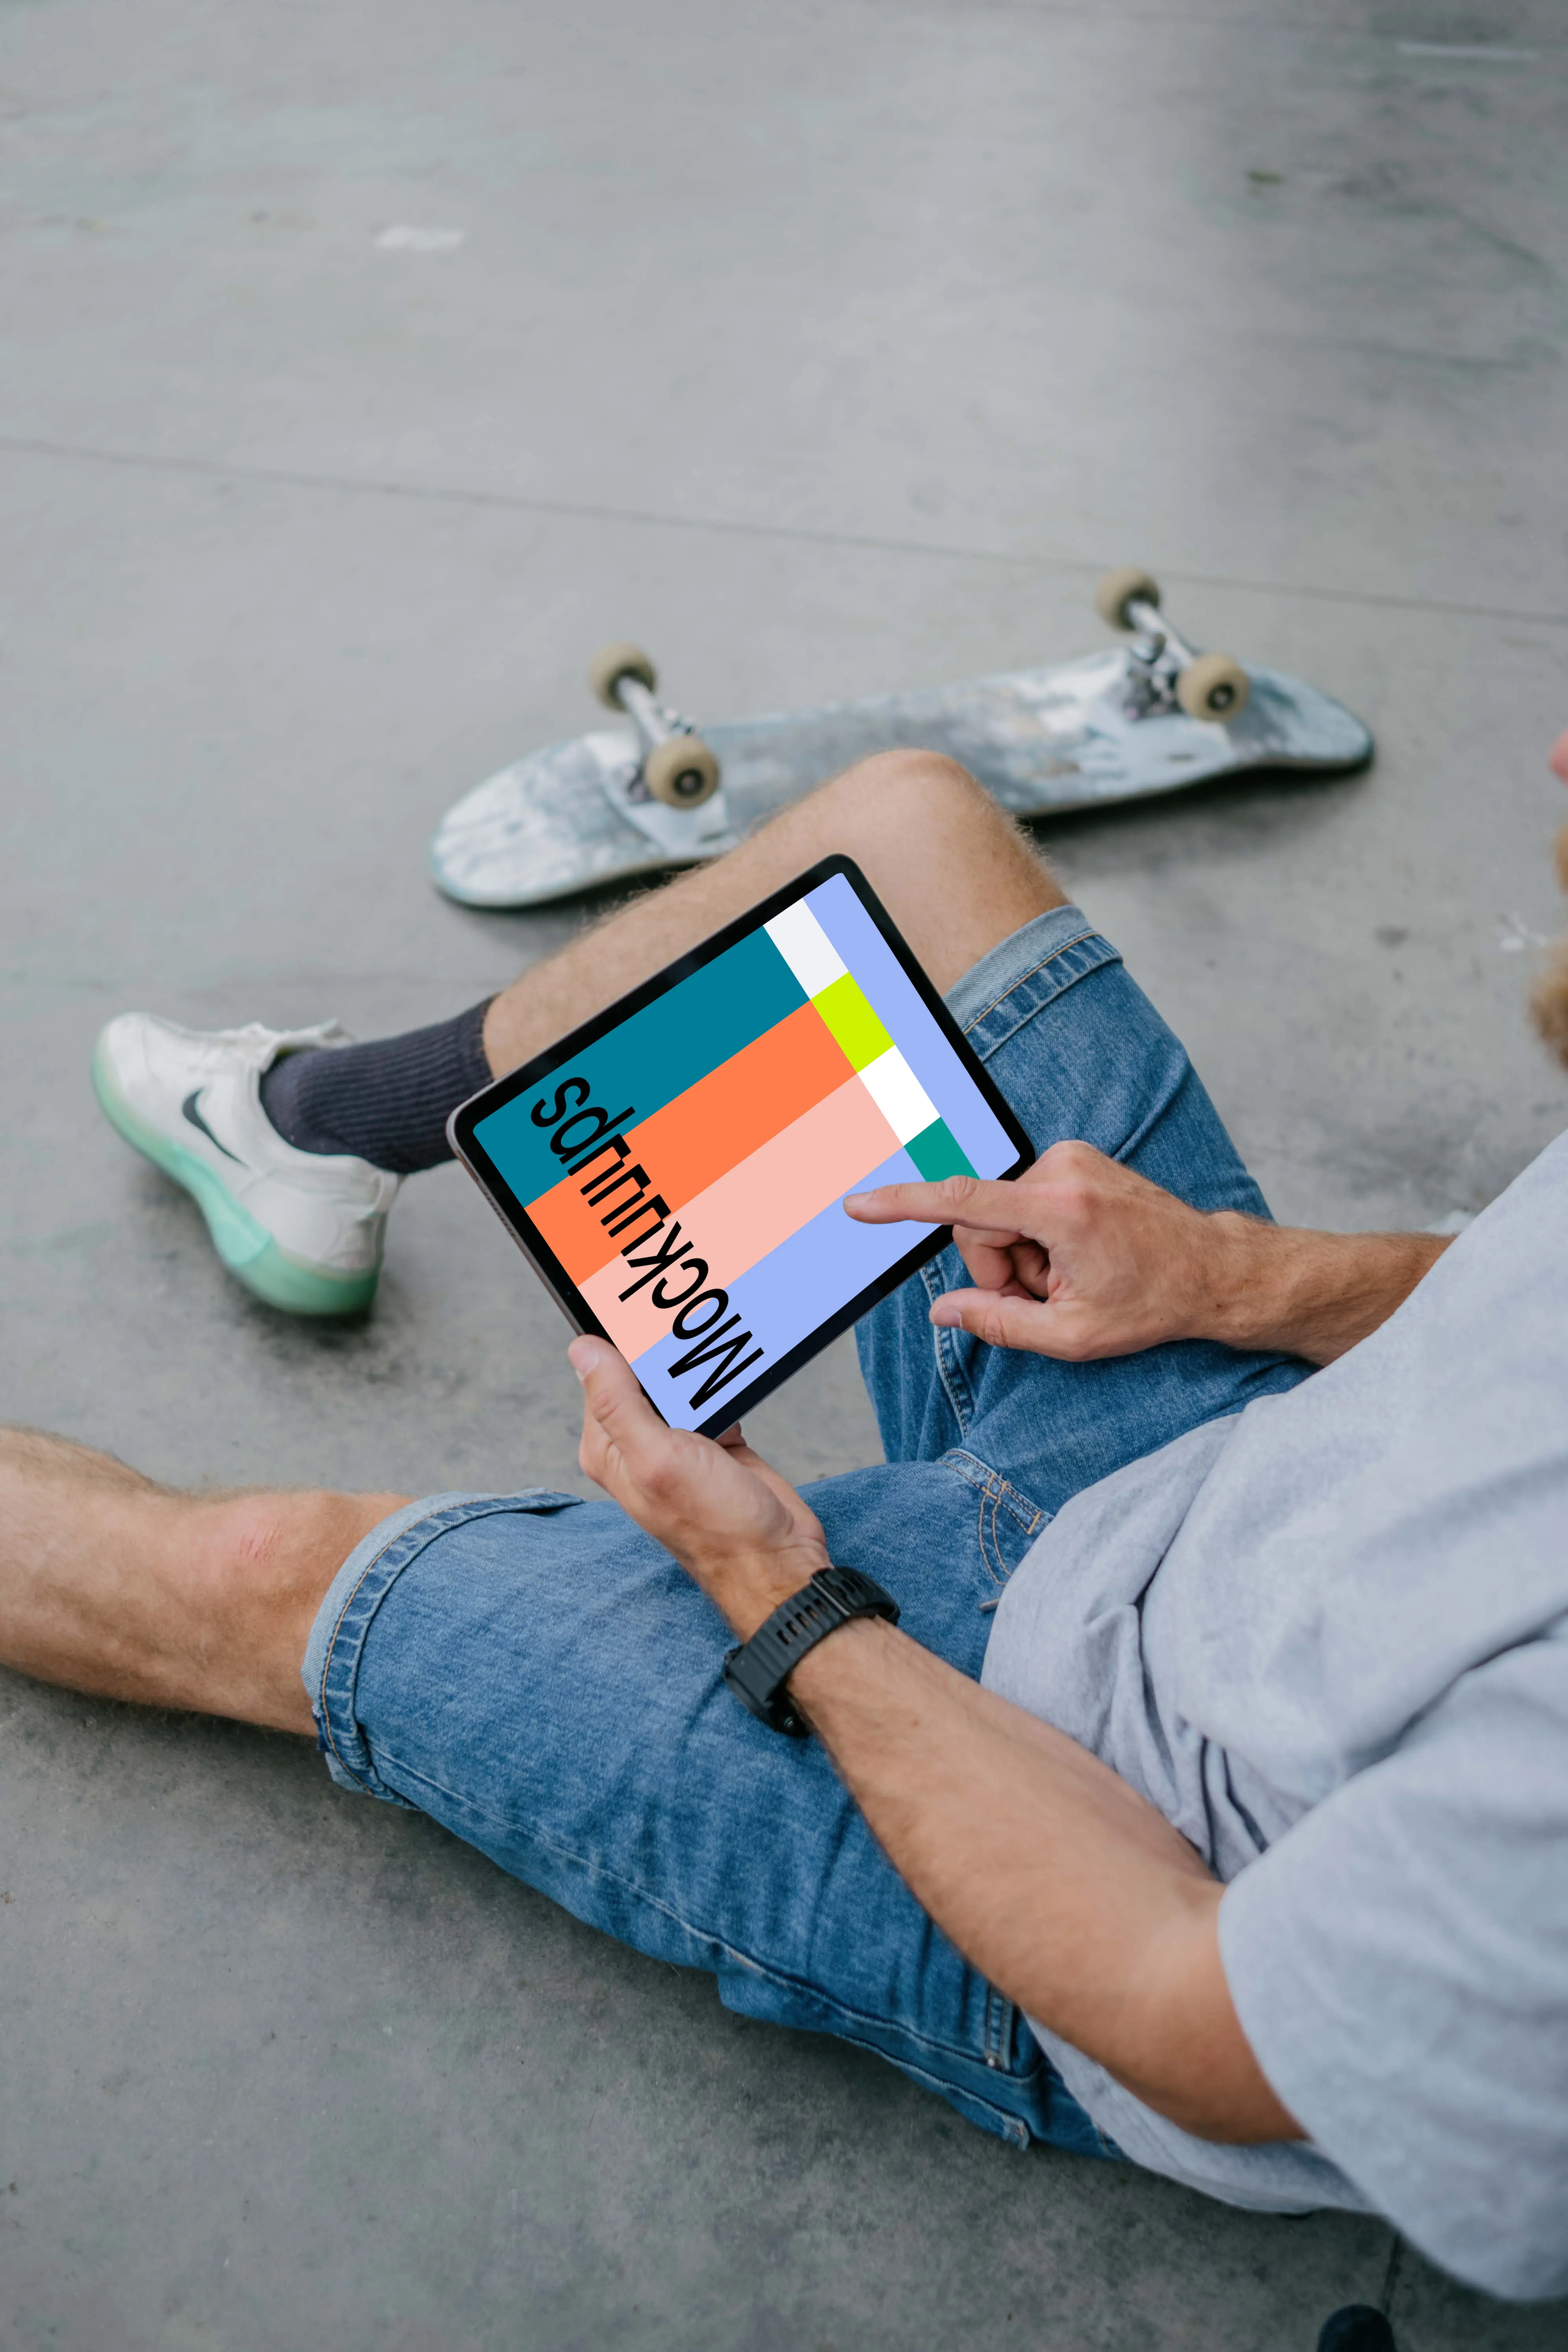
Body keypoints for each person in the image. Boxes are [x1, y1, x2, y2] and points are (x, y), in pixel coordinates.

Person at [15, 728, 1568, 2304]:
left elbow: (1191, 2008)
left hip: (1082, 1824)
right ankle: (311, 1132)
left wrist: (776, 1586)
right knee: (905, 835)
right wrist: (1247, 1281)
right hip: (1235, 1454)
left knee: (263, 1575)